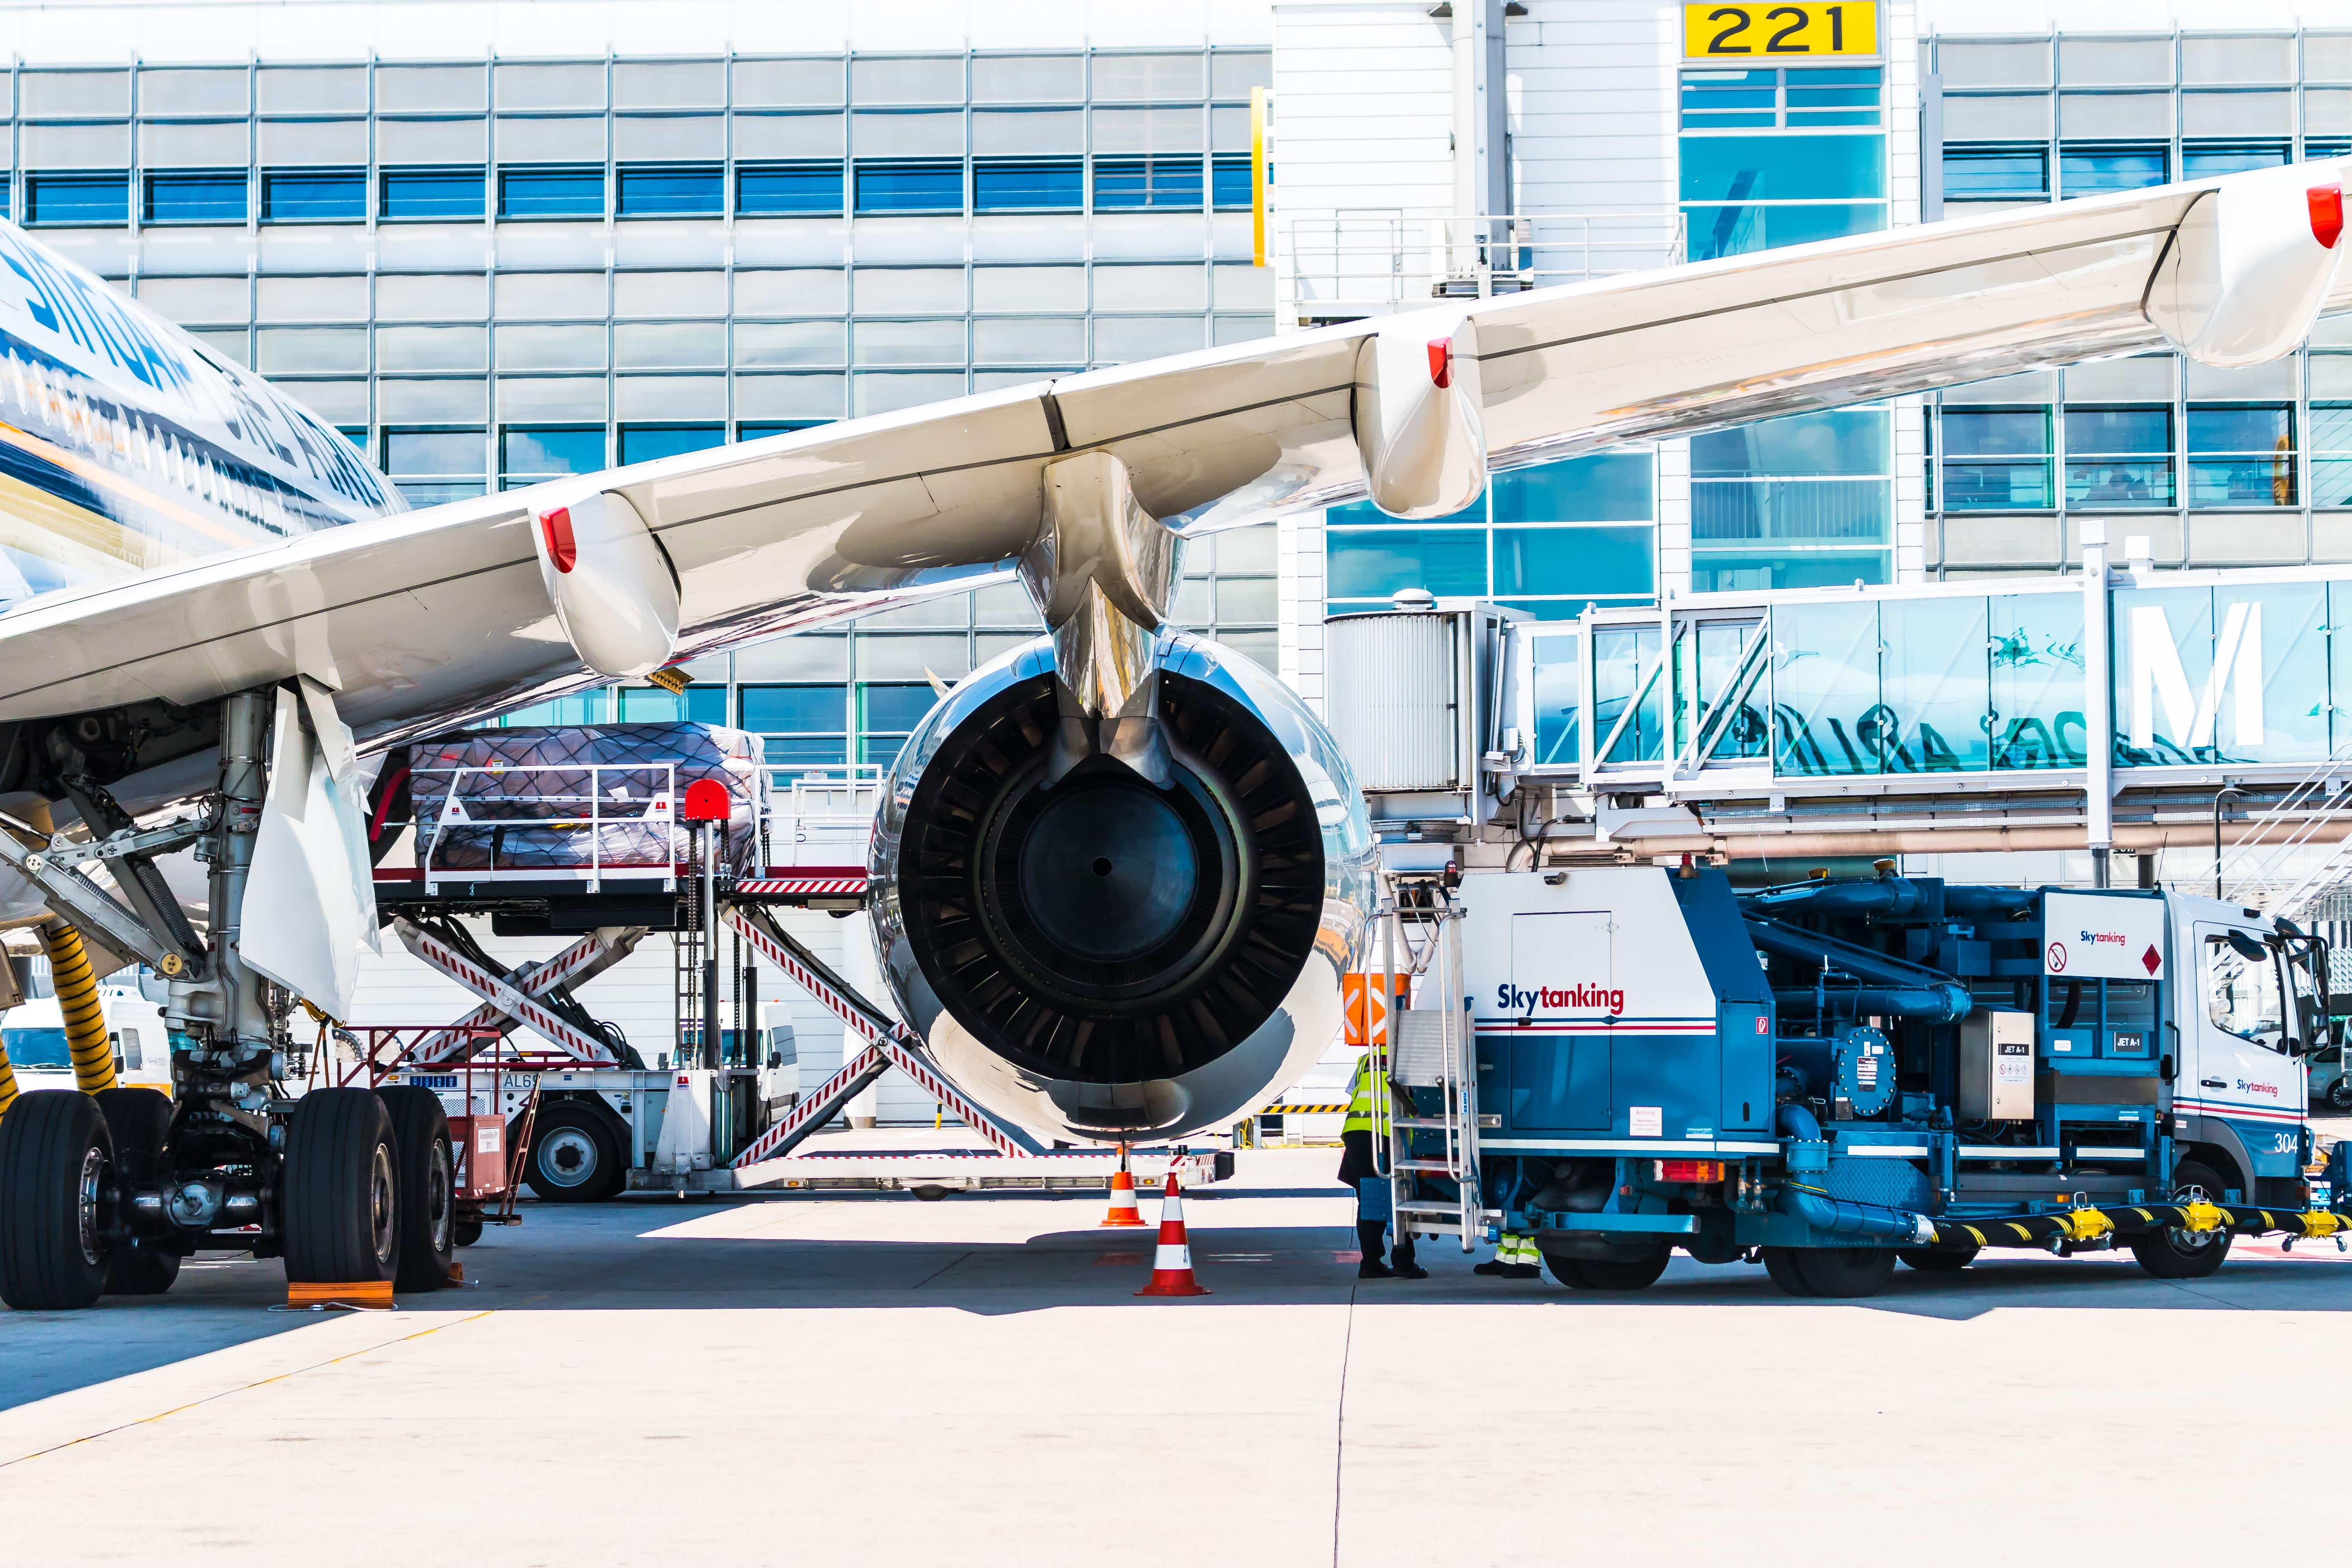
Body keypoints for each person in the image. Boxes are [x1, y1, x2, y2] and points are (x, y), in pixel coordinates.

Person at [1340, 1051, 1425, 1279]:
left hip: (1357, 1132)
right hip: (1389, 1132)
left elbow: (1353, 1093)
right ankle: (1404, 1262)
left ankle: (1371, 1262)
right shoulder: (1411, 1058)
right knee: (1401, 1197)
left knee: (1368, 1199)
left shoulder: (1367, 1058)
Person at [1474, 1231, 1542, 1280]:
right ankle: (1504, 1261)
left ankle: (1530, 1265)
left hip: (1529, 1265)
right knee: (1508, 1221)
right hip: (1505, 1262)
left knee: (1526, 1220)